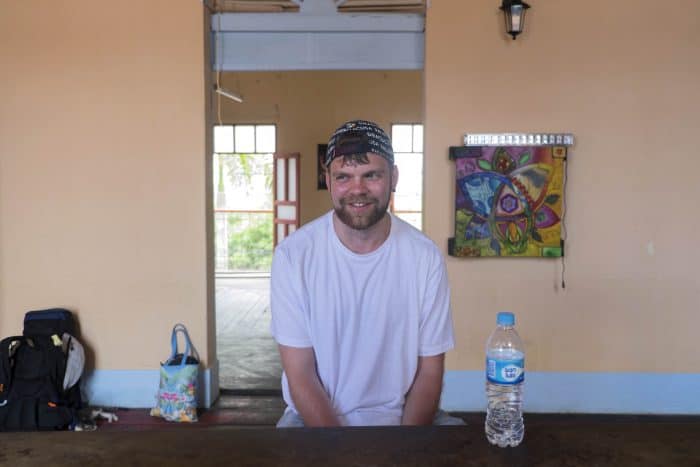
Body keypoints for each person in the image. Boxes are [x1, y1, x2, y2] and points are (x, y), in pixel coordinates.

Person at [270, 119, 460, 427]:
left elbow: (429, 372)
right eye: (344, 177)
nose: (357, 190)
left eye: (371, 175)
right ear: (329, 181)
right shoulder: (293, 257)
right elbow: (300, 374)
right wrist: (342, 452)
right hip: (313, 421)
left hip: (402, 419)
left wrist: (402, 450)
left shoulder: (424, 257)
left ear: (393, 177)